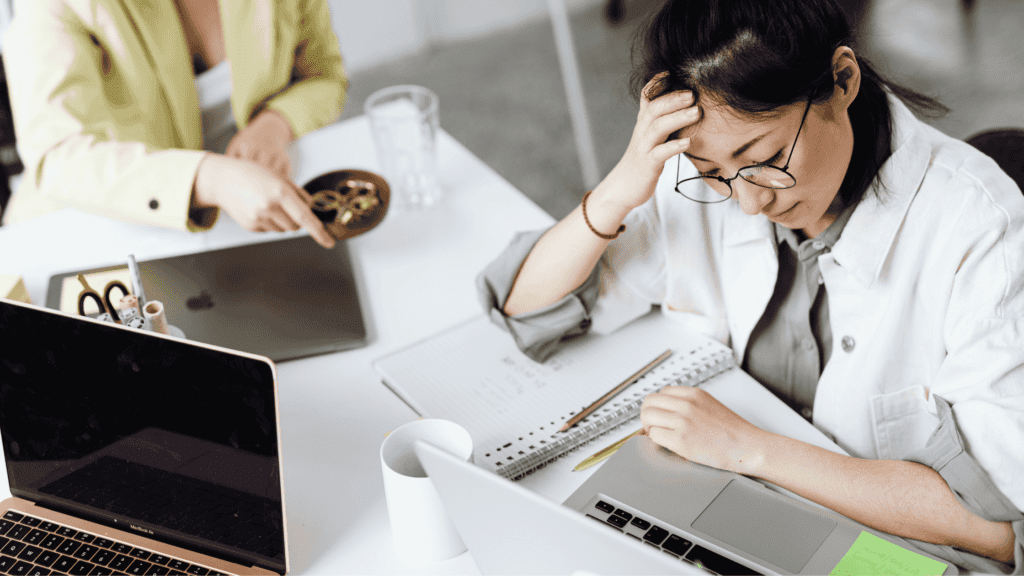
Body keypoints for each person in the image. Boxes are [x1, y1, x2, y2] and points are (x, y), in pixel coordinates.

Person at [477, 0, 1023, 571]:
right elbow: (526, 309)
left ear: (842, 80)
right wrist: (623, 185)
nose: (749, 202)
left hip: (891, 548)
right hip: (748, 503)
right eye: (712, 173)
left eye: (765, 157)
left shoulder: (982, 228)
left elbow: (999, 531)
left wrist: (748, 449)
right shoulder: (706, 168)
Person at [1, 0, 346, 248]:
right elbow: (59, 156)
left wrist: (276, 123)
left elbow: (324, 75)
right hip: (97, 223)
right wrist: (209, 178)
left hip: (246, 207)